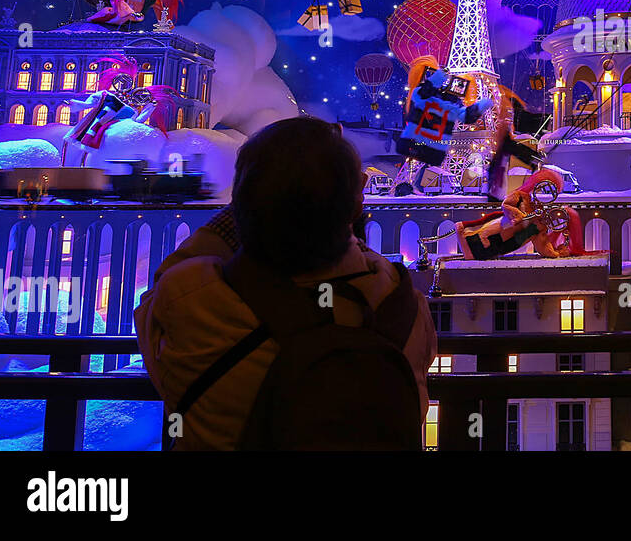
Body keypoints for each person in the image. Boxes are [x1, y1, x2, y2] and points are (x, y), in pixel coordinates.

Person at [135, 117, 437, 450]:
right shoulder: (402, 306)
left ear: (242, 199)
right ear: (353, 206)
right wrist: (348, 204)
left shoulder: (189, 298)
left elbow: (157, 297)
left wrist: (247, 203)